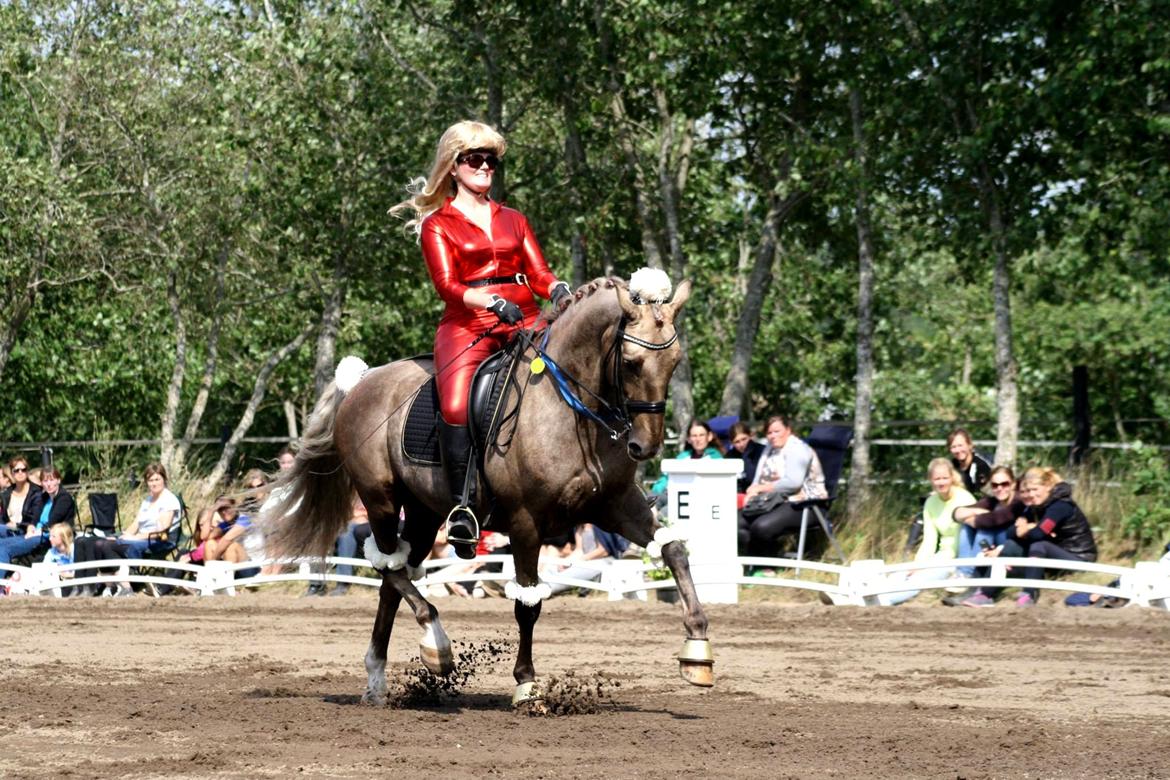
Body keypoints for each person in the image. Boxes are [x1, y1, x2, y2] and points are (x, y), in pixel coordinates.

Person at [391, 120, 571, 558]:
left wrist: (558, 289)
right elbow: (447, 285)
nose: (486, 166)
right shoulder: (439, 224)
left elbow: (539, 273)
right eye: (476, 158)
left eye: (491, 159)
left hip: (525, 318)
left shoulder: (514, 218)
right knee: (454, 404)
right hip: (467, 325)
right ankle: (461, 509)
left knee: (576, 374)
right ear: (454, 167)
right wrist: (488, 302)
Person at [962, 467, 1097, 608]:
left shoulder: (1060, 506)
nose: (1031, 494)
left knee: (1038, 545)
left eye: (1035, 489)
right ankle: (985, 593)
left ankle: (1029, 594)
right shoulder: (1035, 506)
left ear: (1048, 487)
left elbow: (1038, 534)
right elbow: (1011, 532)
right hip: (1054, 555)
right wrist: (1026, 529)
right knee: (1011, 545)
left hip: (1079, 558)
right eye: (1027, 491)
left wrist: (1027, 528)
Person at [878, 458, 976, 606]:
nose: (941, 482)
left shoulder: (965, 499)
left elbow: (965, 538)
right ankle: (872, 593)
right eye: (937, 479)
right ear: (931, 480)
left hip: (957, 559)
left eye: (945, 478)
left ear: (951, 477)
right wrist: (918, 564)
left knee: (919, 579)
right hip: (940, 555)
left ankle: (886, 601)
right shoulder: (931, 503)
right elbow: (930, 540)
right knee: (903, 573)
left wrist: (931, 565)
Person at [736, 415, 827, 574]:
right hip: (770, 501)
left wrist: (761, 488)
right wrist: (752, 491)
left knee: (761, 526)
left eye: (777, 431)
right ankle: (753, 565)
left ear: (788, 430)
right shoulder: (768, 450)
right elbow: (758, 479)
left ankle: (766, 568)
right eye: (769, 433)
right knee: (735, 523)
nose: (773, 436)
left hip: (805, 503)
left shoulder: (797, 449)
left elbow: (793, 483)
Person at [943, 465, 1021, 605]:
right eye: (995, 485)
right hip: (991, 544)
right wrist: (980, 513)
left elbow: (995, 519)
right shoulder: (992, 501)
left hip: (1011, 547)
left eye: (1004, 484)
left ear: (1013, 484)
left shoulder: (1018, 503)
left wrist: (980, 516)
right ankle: (964, 573)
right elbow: (957, 513)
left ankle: (972, 576)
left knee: (984, 529)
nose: (1000, 488)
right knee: (966, 526)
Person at [905, 428, 992, 551]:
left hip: (977, 507)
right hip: (956, 505)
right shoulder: (952, 465)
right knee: (922, 514)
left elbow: (986, 492)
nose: (957, 450)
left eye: (960, 445)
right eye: (953, 447)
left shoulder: (981, 465)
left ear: (970, 445)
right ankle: (909, 551)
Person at [0, 466, 76, 578]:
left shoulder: (64, 498)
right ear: (42, 483)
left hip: (49, 536)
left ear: (58, 481)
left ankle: (1, 583)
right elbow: (35, 517)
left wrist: (34, 532)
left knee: (6, 549)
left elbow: (52, 522)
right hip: (35, 533)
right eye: (45, 481)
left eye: (52, 480)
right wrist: (31, 526)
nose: (49, 484)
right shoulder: (44, 497)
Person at [649, 419, 726, 504]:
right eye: (694, 436)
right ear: (689, 439)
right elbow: (666, 478)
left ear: (709, 436)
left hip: (699, 500)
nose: (698, 439)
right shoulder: (682, 458)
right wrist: (658, 489)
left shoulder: (716, 458)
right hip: (673, 495)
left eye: (701, 435)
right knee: (650, 499)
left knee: (666, 511)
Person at [116, 463, 181, 559]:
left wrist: (135, 538)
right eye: (150, 480)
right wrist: (124, 536)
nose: (154, 483)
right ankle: (109, 573)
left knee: (125, 545)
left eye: (157, 479)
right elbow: (136, 524)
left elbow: (162, 532)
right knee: (104, 543)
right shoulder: (147, 501)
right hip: (141, 538)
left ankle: (131, 571)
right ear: (146, 482)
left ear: (164, 479)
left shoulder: (169, 500)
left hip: (160, 541)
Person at [0, 456, 43, 537]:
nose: (20, 472)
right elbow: (2, 517)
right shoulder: (6, 494)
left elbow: (34, 519)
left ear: (27, 472)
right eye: (16, 470)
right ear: (12, 473)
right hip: (7, 531)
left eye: (23, 470)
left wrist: (17, 525)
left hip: (25, 532)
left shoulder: (36, 493)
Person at [723, 421, 766, 501]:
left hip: (759, 495)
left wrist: (746, 454)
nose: (741, 444)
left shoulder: (762, 451)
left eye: (744, 439)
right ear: (732, 443)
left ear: (750, 436)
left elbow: (751, 477)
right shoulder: (729, 457)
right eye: (737, 442)